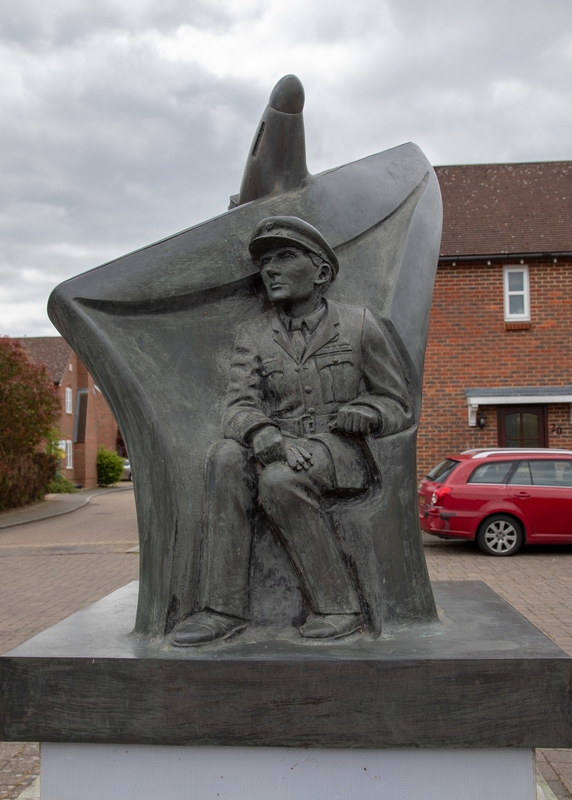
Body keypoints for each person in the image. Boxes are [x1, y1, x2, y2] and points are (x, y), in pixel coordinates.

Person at [174, 216, 413, 645]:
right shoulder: (253, 334)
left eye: (285, 257)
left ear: (321, 272)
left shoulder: (359, 325)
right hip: (278, 441)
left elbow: (397, 403)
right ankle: (220, 609)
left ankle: (339, 605)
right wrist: (263, 432)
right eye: (265, 261)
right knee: (225, 457)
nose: (270, 269)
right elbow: (238, 404)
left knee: (280, 480)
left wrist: (369, 412)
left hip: (337, 451)